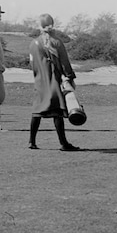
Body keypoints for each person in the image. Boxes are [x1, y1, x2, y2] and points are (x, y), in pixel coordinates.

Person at [27, 13, 81, 151]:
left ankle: (32, 141)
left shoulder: (33, 43)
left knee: (37, 111)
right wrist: (70, 77)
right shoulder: (57, 42)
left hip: (40, 80)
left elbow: (32, 64)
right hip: (54, 79)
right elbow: (65, 63)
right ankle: (63, 143)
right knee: (58, 112)